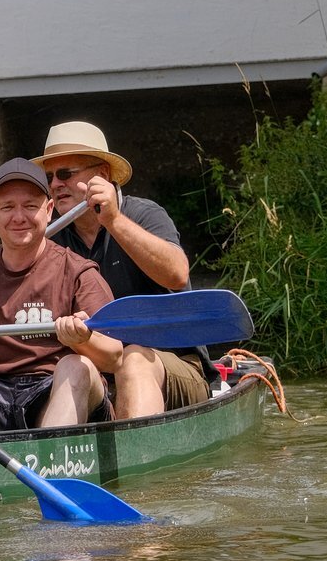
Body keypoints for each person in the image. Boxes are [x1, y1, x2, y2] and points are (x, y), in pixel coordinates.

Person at [32, 121, 214, 418]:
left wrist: (113, 220)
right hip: (98, 369)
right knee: (67, 369)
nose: (54, 185)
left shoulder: (143, 214)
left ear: (101, 175)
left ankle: (135, 459)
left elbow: (177, 274)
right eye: (49, 177)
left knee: (134, 360)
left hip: (171, 365)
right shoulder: (52, 239)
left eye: (65, 174)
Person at [0, 158, 122, 432]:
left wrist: (84, 340)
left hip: (50, 387)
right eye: (7, 207)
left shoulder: (79, 272)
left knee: (77, 366)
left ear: (49, 210)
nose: (19, 217)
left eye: (30, 206)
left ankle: (50, 463)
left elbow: (114, 358)